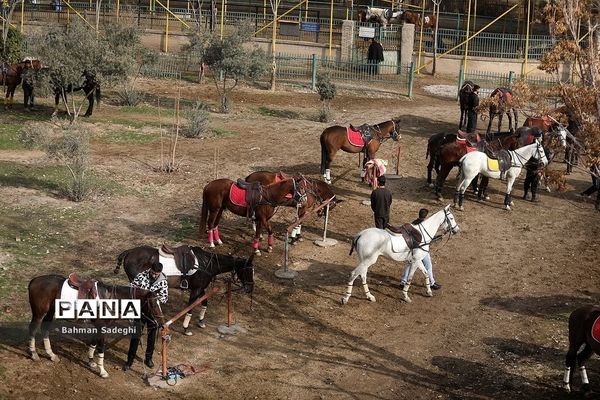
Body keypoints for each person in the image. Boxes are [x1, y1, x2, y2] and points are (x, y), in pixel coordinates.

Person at [123, 261, 168, 371]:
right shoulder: (141, 276)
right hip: (140, 310)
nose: (154, 275)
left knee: (152, 337)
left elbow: (165, 298)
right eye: (153, 273)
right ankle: (130, 360)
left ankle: (148, 358)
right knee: (135, 336)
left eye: (157, 274)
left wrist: (154, 298)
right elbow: (131, 288)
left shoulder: (163, 281)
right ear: (150, 270)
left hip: (153, 313)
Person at [399, 208, 441, 290]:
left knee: (409, 264)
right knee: (428, 265)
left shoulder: (414, 223)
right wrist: (437, 237)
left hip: (412, 249)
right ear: (426, 216)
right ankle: (432, 283)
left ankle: (403, 282)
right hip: (422, 250)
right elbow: (427, 238)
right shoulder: (425, 224)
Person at [522, 128, 544, 202]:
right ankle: (533, 197)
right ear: (538, 137)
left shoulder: (530, 144)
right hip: (535, 165)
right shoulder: (538, 146)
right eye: (541, 136)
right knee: (534, 181)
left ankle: (525, 194)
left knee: (527, 180)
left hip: (529, 165)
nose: (542, 138)